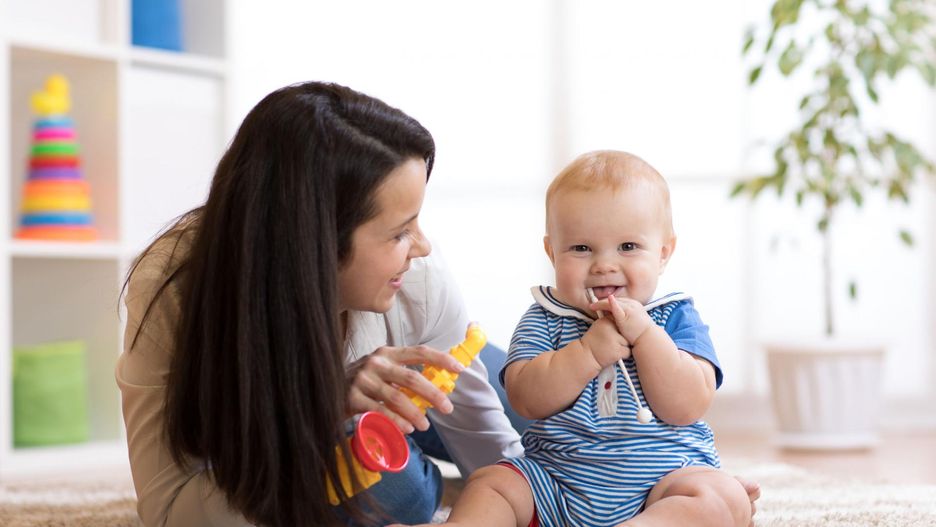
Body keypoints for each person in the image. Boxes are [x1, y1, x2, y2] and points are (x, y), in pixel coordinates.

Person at [116, 81, 523, 527]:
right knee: (393, 487)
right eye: (399, 232)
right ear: (314, 243)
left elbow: (495, 456)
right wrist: (316, 407)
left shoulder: (418, 278)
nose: (423, 246)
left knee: (564, 418)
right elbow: (168, 511)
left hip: (429, 364)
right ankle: (415, 466)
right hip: (319, 441)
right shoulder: (174, 288)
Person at [409, 150, 754, 527]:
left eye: (628, 247)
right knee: (493, 483)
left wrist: (646, 336)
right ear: (552, 252)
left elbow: (688, 405)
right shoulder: (546, 316)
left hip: (664, 480)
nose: (604, 264)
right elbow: (525, 399)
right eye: (581, 248)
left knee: (722, 497)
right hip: (556, 482)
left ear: (663, 253)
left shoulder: (674, 314)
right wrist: (587, 352)